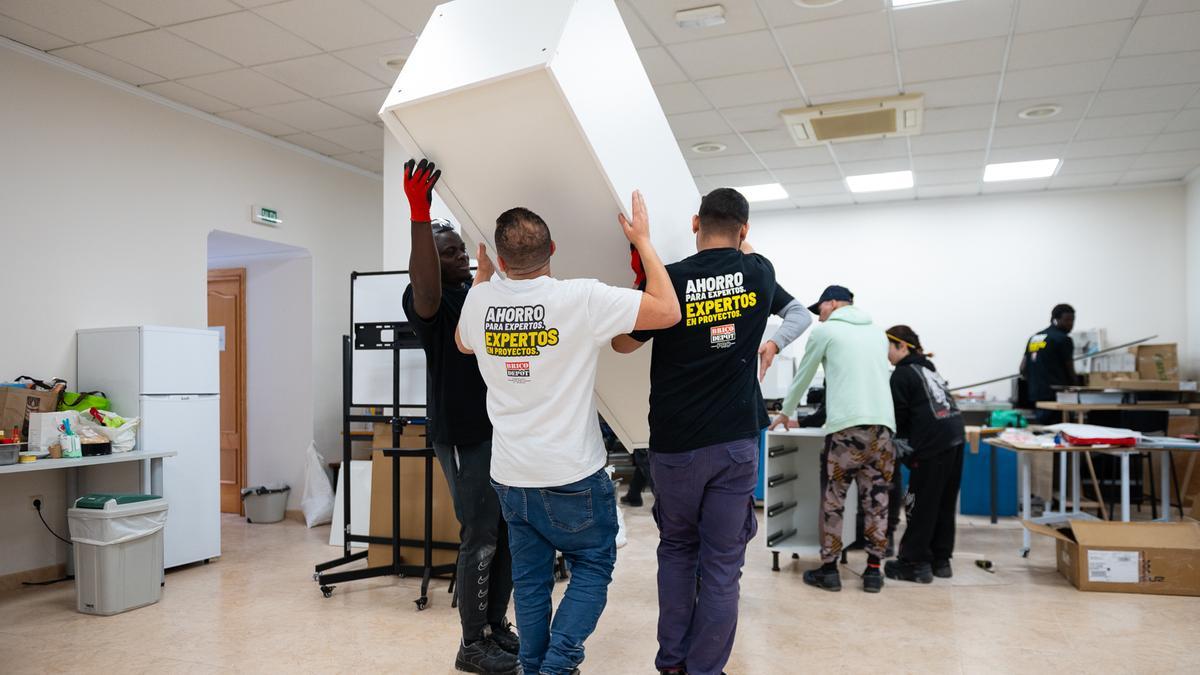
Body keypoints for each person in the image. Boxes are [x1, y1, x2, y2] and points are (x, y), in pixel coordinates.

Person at [455, 191, 680, 675]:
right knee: (594, 566)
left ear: (498, 256)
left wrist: (482, 277)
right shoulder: (580, 297)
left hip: (512, 476)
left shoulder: (479, 301)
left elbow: (462, 342)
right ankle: (558, 664)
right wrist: (642, 241)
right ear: (553, 249)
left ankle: (535, 667)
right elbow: (667, 311)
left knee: (532, 582)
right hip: (571, 473)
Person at [610, 187, 810, 675]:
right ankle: (705, 670)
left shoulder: (669, 281)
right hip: (736, 441)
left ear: (695, 222)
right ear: (745, 231)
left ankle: (672, 664)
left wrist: (647, 263)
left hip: (676, 445)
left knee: (677, 551)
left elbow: (620, 346)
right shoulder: (761, 271)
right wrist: (770, 344)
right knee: (723, 566)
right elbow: (794, 312)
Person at [399, 159, 518, 675]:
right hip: (463, 437)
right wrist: (420, 215)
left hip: (499, 435)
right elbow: (424, 280)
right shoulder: (431, 303)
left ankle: (495, 628)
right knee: (482, 535)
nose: (462, 260)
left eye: (461, 251)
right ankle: (471, 644)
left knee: (508, 532)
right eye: (450, 254)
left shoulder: (476, 296)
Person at [770, 286, 895, 593]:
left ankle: (829, 570)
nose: (820, 317)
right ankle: (874, 571)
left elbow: (803, 375)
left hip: (846, 430)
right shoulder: (878, 333)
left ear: (834, 303)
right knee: (877, 501)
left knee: (834, 499)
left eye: (821, 310)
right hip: (883, 429)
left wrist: (785, 412)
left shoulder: (825, 333)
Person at [881, 326, 965, 583]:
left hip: (932, 446)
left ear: (902, 347)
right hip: (955, 439)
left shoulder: (902, 374)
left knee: (918, 504)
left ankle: (914, 563)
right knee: (943, 503)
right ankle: (941, 560)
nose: (887, 355)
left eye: (889, 348)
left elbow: (899, 418)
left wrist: (902, 450)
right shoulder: (928, 368)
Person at [1022, 304, 1078, 425]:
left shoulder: (1035, 337)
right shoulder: (1063, 339)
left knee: (1044, 433)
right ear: (1056, 319)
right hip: (1056, 397)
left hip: (1035, 395)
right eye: (1067, 320)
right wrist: (1077, 388)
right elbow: (1070, 369)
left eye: (1073, 320)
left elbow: (1022, 369)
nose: (1071, 324)